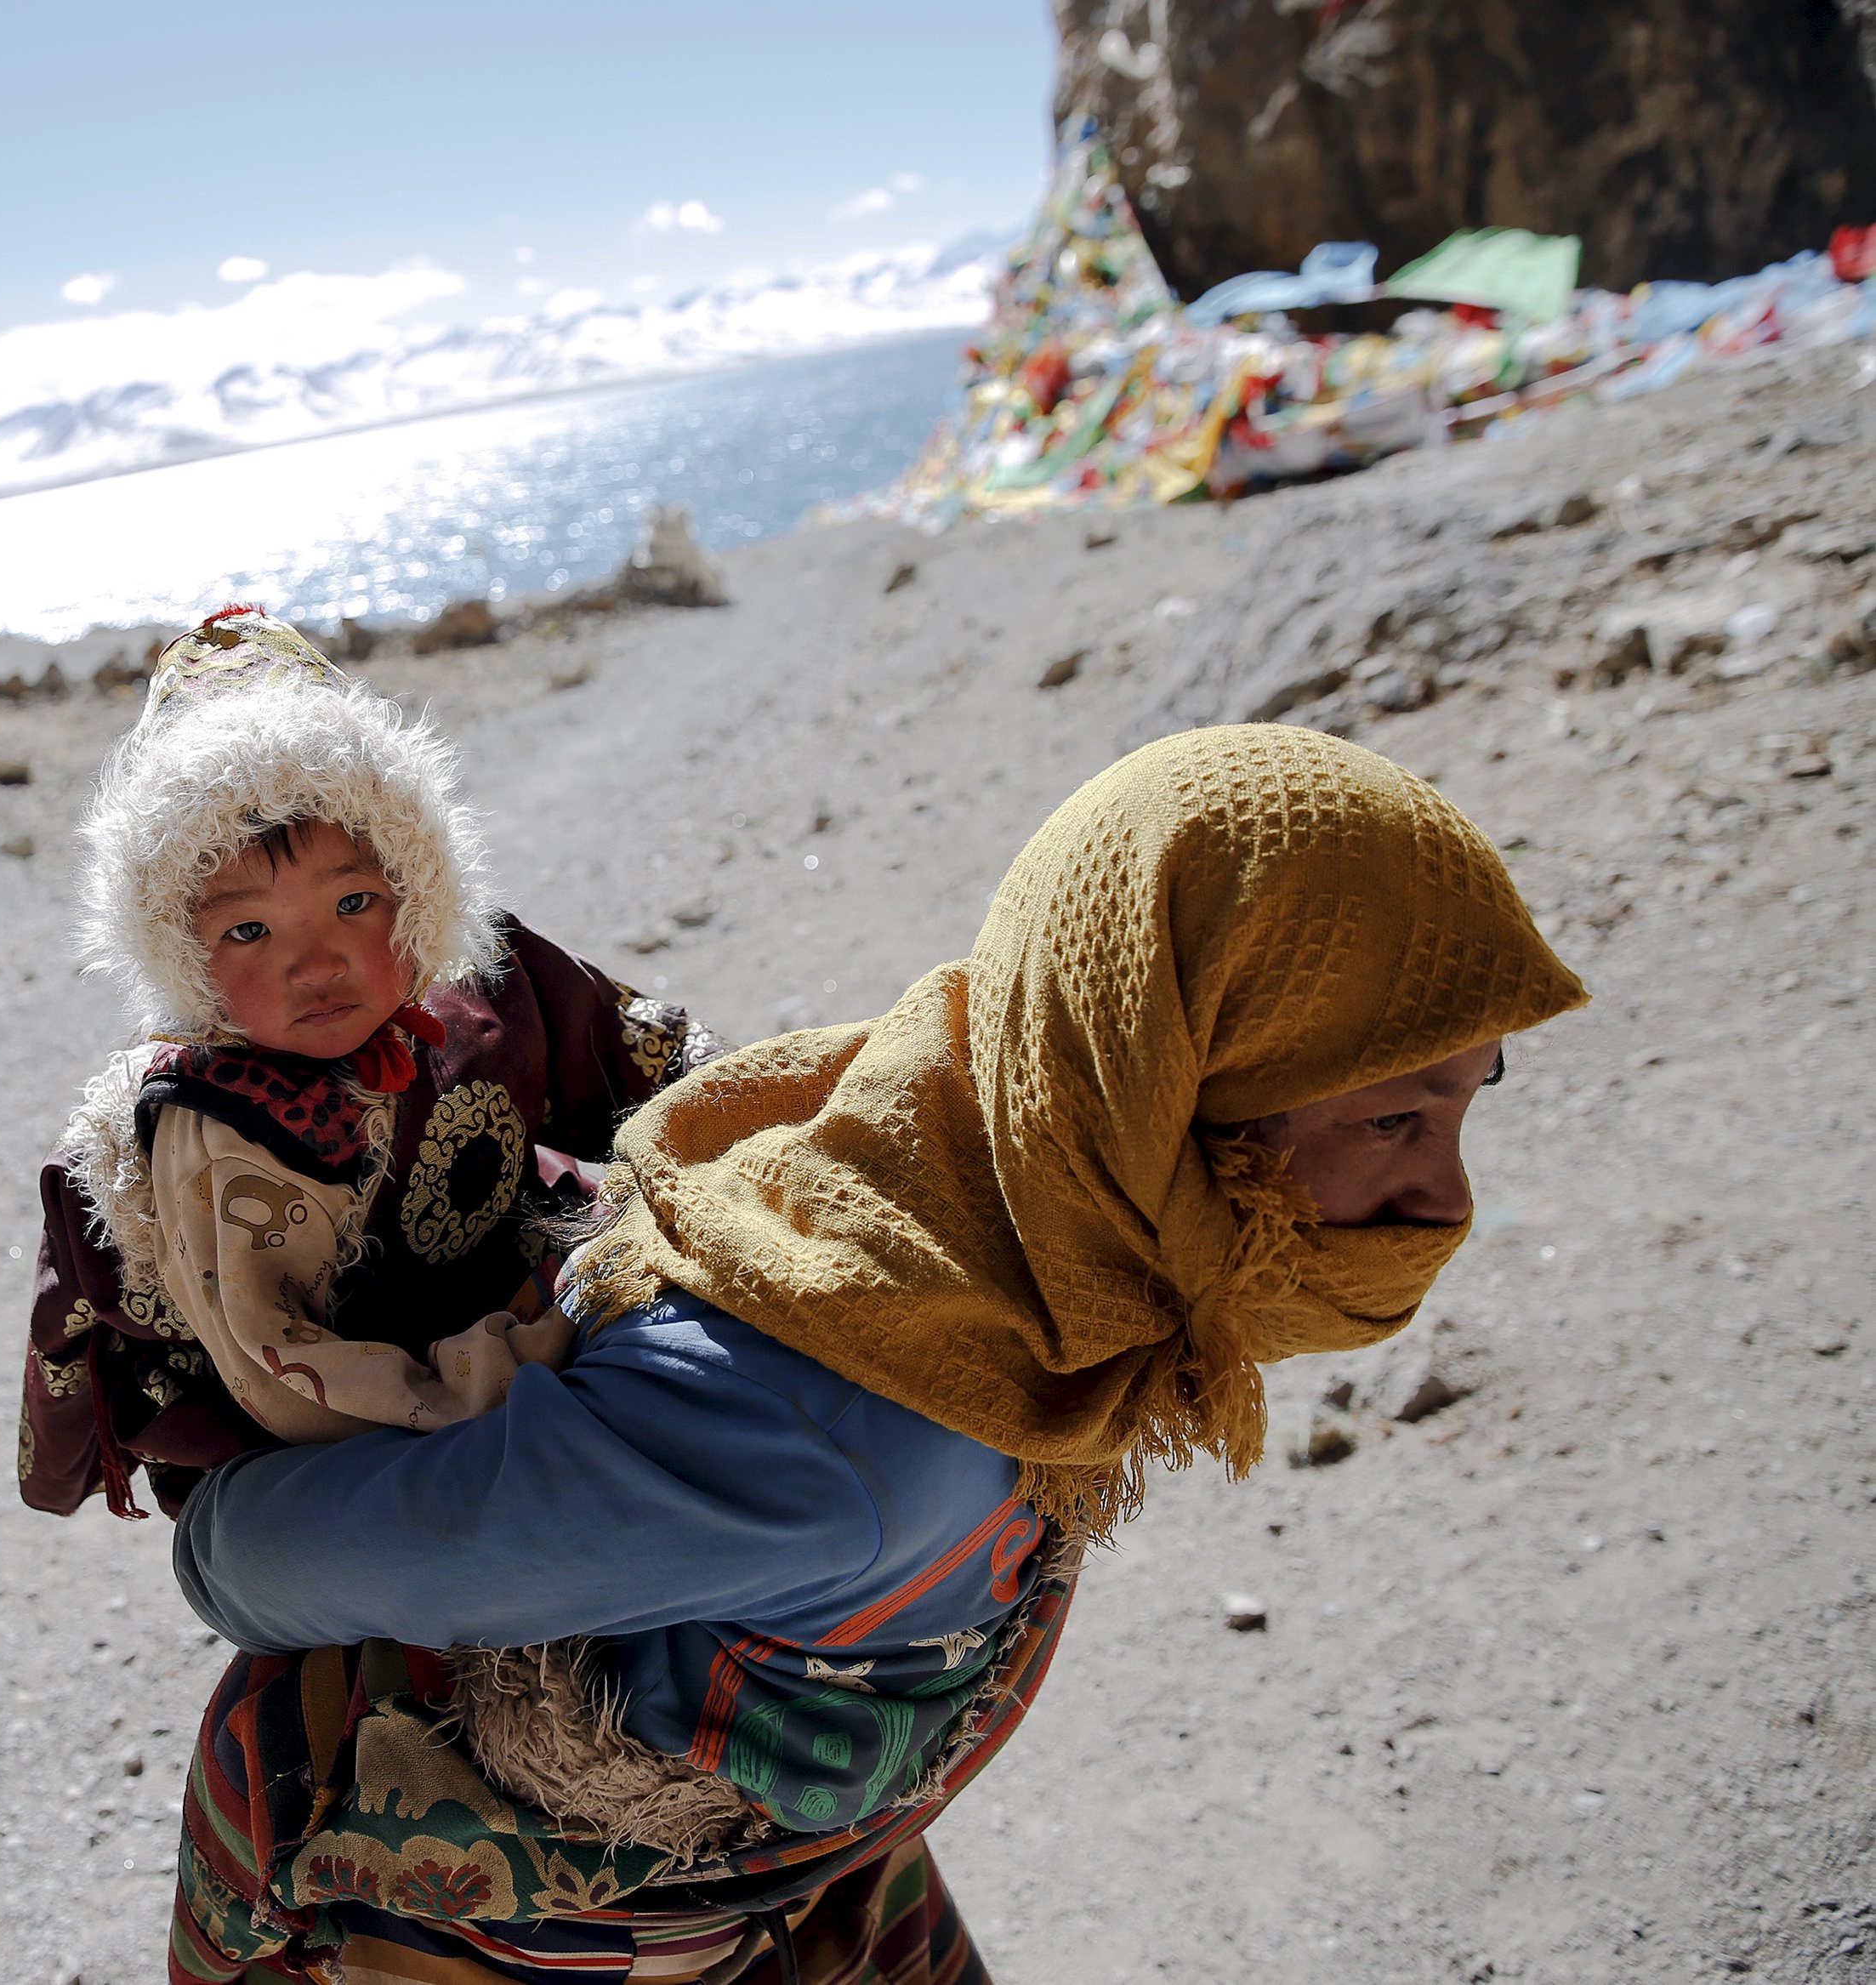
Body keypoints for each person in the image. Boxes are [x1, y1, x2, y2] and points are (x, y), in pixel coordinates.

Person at [162, 724, 1589, 1984]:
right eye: (1398, 1119)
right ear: (1160, 1076)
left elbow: (242, 1555)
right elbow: (252, 1565)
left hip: (796, 1863)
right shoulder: (842, 1413)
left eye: (1464, 1105)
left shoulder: (964, 1120)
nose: (1446, 1197)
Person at [22, 606, 715, 1521]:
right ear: (179, 958)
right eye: (247, 930)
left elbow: (649, 1062)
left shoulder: (479, 979)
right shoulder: (217, 1126)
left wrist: (753, 1138)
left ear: (417, 886)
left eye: (355, 900)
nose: (315, 963)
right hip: (338, 1444)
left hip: (528, 1321)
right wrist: (536, 1367)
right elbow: (285, 1374)